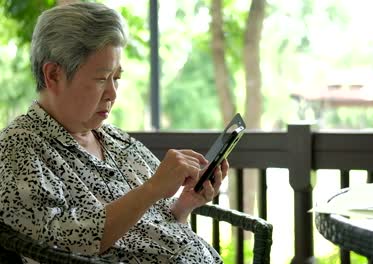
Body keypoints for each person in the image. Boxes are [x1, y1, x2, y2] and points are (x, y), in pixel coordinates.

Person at [0, 2, 229, 263]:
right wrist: (151, 189)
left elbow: (150, 229)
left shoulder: (116, 140)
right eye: (101, 79)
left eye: (116, 78)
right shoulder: (19, 147)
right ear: (54, 75)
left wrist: (183, 205)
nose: (113, 93)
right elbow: (55, 245)